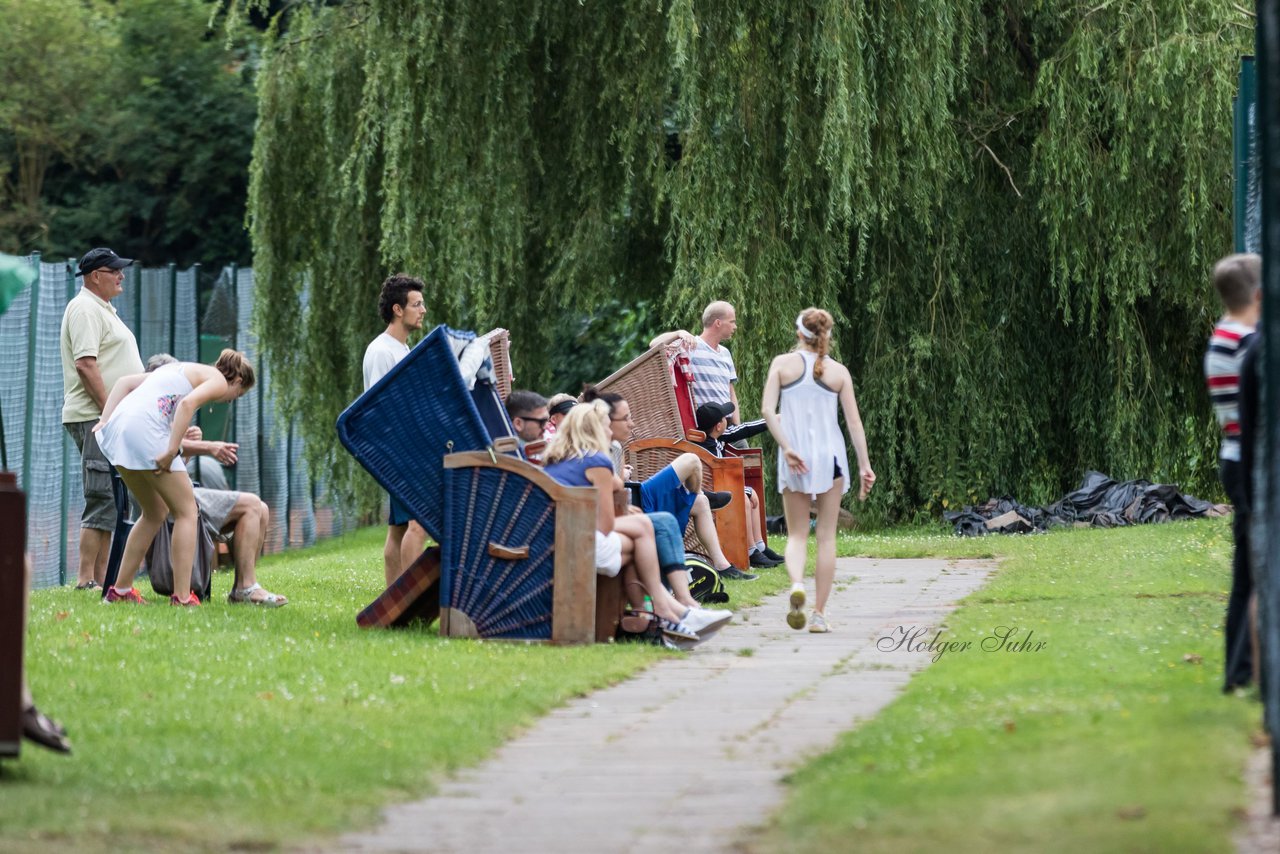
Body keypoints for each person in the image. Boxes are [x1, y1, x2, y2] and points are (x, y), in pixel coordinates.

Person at [542, 402, 731, 644]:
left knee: (638, 536)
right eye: (606, 427)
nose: (610, 433)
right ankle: (675, 609)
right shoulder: (595, 462)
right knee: (644, 528)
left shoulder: (556, 460)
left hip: (557, 540)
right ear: (595, 431)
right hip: (583, 543)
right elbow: (606, 525)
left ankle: (663, 614)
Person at [93, 350, 256, 605]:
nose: (230, 399)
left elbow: (124, 383)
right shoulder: (217, 379)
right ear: (236, 381)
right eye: (238, 395)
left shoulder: (175, 370)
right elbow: (186, 405)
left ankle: (120, 591)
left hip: (120, 431)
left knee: (155, 512)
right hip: (146, 431)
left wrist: (104, 421)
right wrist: (171, 451)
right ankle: (182, 597)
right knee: (187, 511)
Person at [762, 308, 874, 633]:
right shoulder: (839, 372)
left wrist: (787, 447)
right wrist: (865, 466)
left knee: (797, 534)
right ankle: (820, 614)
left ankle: (797, 584)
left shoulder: (782, 365)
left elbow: (768, 410)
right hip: (831, 457)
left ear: (799, 333)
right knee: (826, 537)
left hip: (796, 454)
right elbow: (854, 423)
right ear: (826, 334)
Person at [145, 354, 286, 606]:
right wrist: (207, 447)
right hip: (171, 498)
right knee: (253, 505)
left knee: (261, 510)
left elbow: (171, 461)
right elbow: (160, 452)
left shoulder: (165, 406)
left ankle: (244, 587)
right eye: (238, 394)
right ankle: (244, 589)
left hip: (177, 488)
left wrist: (186, 444)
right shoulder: (160, 404)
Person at [583, 387, 757, 581]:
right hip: (636, 502)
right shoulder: (593, 450)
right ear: (605, 420)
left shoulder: (615, 447)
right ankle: (701, 491)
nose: (632, 424)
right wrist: (620, 477)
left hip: (636, 497)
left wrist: (621, 475)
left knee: (700, 503)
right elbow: (608, 490)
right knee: (690, 460)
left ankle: (722, 566)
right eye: (626, 419)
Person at [59, 248, 144, 590]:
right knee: (101, 495)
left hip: (105, 416)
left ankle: (101, 579)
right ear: (96, 276)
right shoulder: (84, 308)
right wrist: (111, 412)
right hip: (95, 416)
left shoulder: (102, 308)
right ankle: (85, 580)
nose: (122, 275)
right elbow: (85, 364)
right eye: (115, 270)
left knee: (111, 497)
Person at [1203, 253, 1262, 692]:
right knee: (1252, 567)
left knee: (1245, 572)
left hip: (1233, 455)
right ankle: (1242, 668)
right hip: (1247, 461)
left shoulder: (1222, 337)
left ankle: (1237, 670)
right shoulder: (1246, 344)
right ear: (1260, 295)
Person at [363, 274, 430, 586]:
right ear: (397, 309)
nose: (423, 310)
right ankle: (410, 599)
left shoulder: (402, 349)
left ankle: (392, 601)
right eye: (416, 304)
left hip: (407, 449)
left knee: (399, 528)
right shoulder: (381, 351)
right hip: (399, 452)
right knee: (419, 524)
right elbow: (378, 408)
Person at [650, 301, 767, 443]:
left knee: (748, 460)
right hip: (707, 431)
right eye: (732, 322)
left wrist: (737, 425)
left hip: (728, 427)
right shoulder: (691, 346)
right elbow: (654, 345)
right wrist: (679, 333)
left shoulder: (725, 353)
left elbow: (730, 391)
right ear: (718, 323)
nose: (735, 327)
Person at [691, 401, 783, 569]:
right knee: (746, 498)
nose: (729, 419)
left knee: (751, 493)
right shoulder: (706, 446)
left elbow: (745, 429)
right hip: (716, 490)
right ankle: (750, 551)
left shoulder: (718, 435)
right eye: (725, 418)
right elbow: (716, 479)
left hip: (722, 485)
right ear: (719, 426)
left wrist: (772, 420)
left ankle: (759, 546)